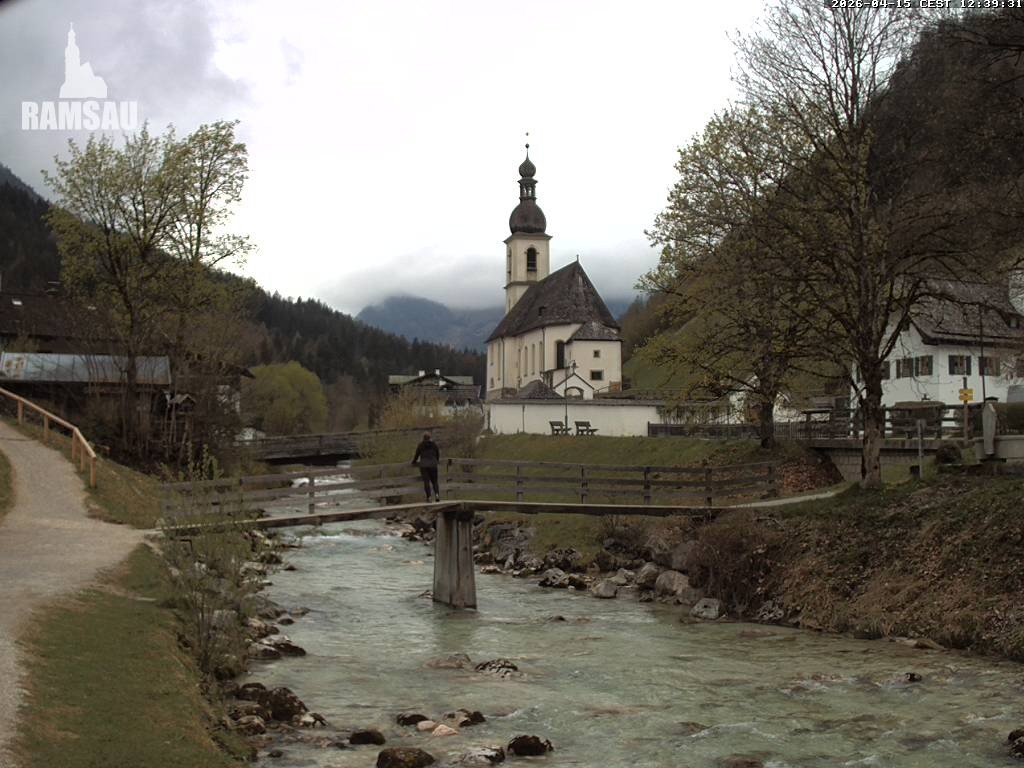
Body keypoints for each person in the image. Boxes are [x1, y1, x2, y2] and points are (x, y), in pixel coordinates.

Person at [411, 431, 441, 502]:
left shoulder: (420, 445)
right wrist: (436, 461)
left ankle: (429, 497)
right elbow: (437, 454)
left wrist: (413, 462)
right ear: (430, 438)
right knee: (435, 481)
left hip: (424, 465)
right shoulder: (434, 444)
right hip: (433, 464)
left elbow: (417, 455)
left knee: (426, 482)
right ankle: (437, 495)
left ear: (423, 438)